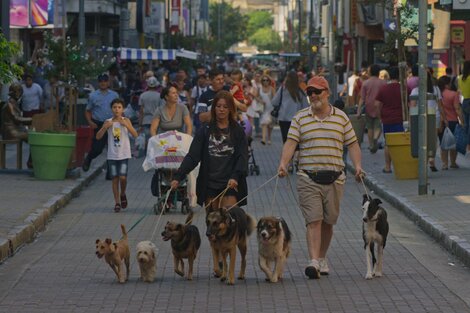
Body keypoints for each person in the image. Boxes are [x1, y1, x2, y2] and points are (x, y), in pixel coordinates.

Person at [277, 76, 363, 279]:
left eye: (317, 91)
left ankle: (322, 257)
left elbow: (352, 144)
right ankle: (314, 261)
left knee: (328, 222)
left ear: (327, 93)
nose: (313, 96)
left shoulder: (341, 118)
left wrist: (358, 166)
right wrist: (283, 163)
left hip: (335, 178)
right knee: (313, 220)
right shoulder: (300, 118)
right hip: (308, 177)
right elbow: (291, 143)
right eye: (310, 92)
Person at [170, 90, 248, 210]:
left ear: (231, 109)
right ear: (214, 108)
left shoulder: (237, 131)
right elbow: (193, 156)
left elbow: (242, 157)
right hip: (210, 183)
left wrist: (235, 176)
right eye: (218, 106)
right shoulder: (205, 130)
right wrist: (178, 176)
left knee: (230, 220)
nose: (221, 109)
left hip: (230, 183)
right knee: (213, 222)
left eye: (225, 107)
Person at [96, 98, 138, 212]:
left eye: (119, 107)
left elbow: (135, 134)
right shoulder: (108, 121)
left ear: (123, 109)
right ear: (111, 109)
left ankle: (123, 193)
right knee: (115, 179)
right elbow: (98, 136)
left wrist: (127, 126)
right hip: (112, 155)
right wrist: (105, 127)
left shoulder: (126, 120)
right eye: (114, 107)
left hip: (124, 154)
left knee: (123, 178)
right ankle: (117, 202)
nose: (117, 110)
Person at [82, 74, 119, 172]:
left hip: (113, 124)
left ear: (108, 83)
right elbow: (87, 110)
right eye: (101, 81)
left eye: (105, 81)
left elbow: (119, 109)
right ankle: (89, 158)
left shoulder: (114, 95)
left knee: (114, 148)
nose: (103, 83)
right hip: (99, 124)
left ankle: (110, 171)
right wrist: (90, 122)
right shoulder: (93, 96)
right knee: (97, 148)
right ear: (98, 83)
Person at [409, 71, 445, 171]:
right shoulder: (436, 89)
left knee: (422, 139)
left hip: (420, 117)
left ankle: (424, 163)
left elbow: (412, 106)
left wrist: (410, 120)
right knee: (433, 139)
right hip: (435, 116)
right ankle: (431, 158)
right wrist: (444, 119)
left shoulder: (415, 90)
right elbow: (440, 106)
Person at [375, 67, 404, 173]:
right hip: (400, 119)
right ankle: (399, 165)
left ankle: (387, 166)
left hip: (387, 119)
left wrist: (380, 116)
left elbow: (377, 104)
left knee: (388, 143)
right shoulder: (403, 89)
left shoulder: (384, 89)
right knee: (399, 143)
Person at [272, 71, 309, 144]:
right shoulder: (300, 92)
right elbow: (306, 106)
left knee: (286, 140)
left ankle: (288, 154)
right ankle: (294, 153)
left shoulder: (282, 89)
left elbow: (274, 102)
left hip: (283, 118)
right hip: (297, 119)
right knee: (295, 140)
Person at [357, 64, 386, 153]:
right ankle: (375, 138)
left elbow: (362, 98)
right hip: (380, 106)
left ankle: (371, 145)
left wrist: (359, 111)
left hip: (368, 106)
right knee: (378, 126)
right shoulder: (383, 83)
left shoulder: (366, 83)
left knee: (370, 127)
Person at [438, 75, 464, 169]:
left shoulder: (439, 94)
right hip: (453, 121)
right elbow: (457, 108)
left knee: (443, 143)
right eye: (449, 83)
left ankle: (444, 164)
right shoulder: (454, 94)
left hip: (441, 122)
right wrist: (462, 120)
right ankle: (453, 162)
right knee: (453, 143)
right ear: (446, 84)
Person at [138, 77, 162, 142]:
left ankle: (147, 152)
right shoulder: (159, 96)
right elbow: (161, 110)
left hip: (146, 120)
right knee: (156, 140)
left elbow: (141, 111)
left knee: (148, 141)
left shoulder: (142, 95)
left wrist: (140, 124)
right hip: (157, 120)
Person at [255, 75, 275, 145]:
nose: (265, 82)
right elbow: (256, 97)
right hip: (263, 109)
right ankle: (263, 139)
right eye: (264, 80)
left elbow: (275, 98)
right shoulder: (259, 88)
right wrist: (260, 101)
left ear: (269, 81)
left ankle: (269, 138)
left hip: (271, 109)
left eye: (267, 80)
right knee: (264, 123)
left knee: (270, 125)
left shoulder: (271, 89)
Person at [457, 60, 470, 155]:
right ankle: (469, 145)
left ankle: (465, 145)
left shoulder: (460, 78)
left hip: (464, 101)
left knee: (466, 125)